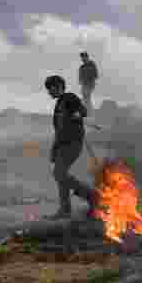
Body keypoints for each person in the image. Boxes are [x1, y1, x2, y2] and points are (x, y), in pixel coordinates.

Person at [45, 74, 97, 219]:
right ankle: (65, 210)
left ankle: (92, 197)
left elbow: (83, 111)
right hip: (62, 145)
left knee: (59, 174)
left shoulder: (69, 97)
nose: (49, 92)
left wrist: (77, 114)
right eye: (48, 89)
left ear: (59, 87)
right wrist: (54, 150)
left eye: (50, 88)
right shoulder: (59, 104)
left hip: (73, 143)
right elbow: (59, 130)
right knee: (60, 175)